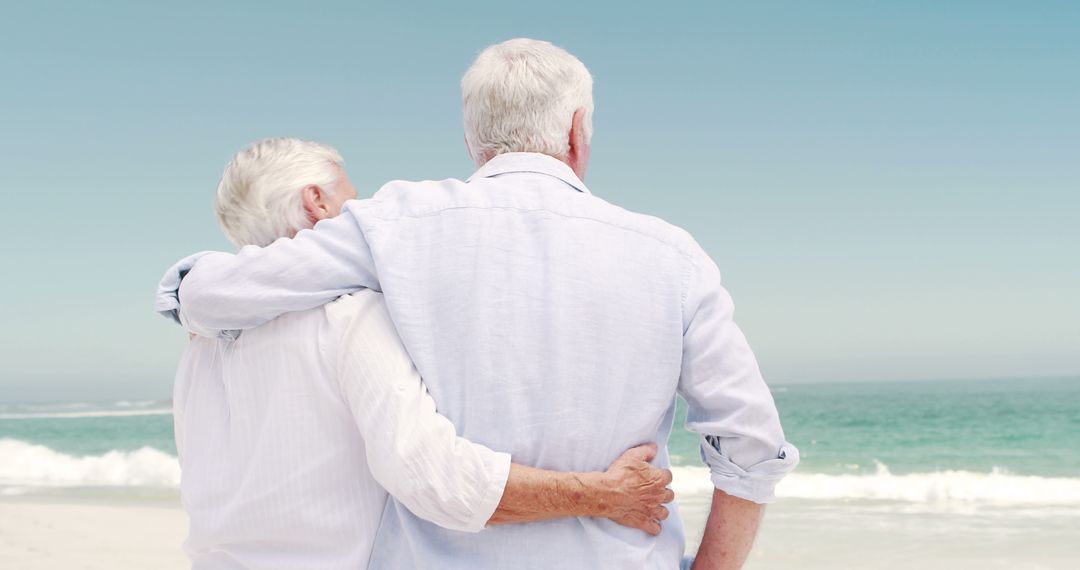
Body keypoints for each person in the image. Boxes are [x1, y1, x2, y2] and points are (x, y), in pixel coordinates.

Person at [159, 38, 799, 569]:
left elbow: (214, 294)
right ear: (578, 132)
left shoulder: (391, 226)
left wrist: (185, 292)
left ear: (473, 141)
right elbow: (750, 443)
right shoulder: (673, 256)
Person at [161, 137, 674, 569]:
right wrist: (603, 494)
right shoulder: (348, 315)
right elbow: (436, 480)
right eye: (351, 199)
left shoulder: (202, 345)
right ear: (317, 202)